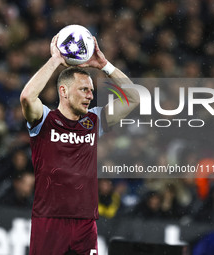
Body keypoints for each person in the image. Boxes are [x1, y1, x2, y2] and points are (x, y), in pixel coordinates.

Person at [20, 34, 139, 255]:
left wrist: (105, 65)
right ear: (63, 91)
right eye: (84, 89)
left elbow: (134, 98)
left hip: (85, 223)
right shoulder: (44, 119)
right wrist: (55, 59)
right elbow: (27, 97)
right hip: (49, 221)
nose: (90, 95)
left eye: (91, 90)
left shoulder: (94, 120)